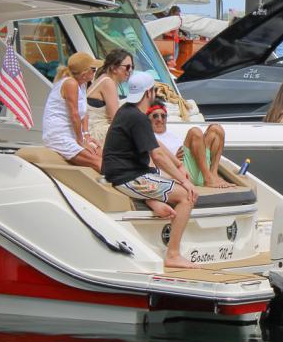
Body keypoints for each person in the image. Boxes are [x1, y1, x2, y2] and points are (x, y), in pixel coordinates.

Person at [100, 71, 197, 269]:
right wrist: (184, 181)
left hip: (126, 172)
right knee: (186, 196)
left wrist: (178, 166)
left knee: (162, 179)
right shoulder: (138, 118)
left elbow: (156, 144)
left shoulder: (127, 111)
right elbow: (158, 156)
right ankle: (173, 254)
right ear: (149, 93)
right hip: (128, 176)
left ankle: (152, 201)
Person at [39, 51, 102, 171]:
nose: (95, 72)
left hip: (71, 134)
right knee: (98, 161)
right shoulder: (70, 83)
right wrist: (81, 141)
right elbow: (74, 115)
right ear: (84, 73)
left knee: (102, 154)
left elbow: (84, 113)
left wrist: (86, 135)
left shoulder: (82, 84)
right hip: (58, 135)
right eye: (93, 69)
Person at [148, 100, 233, 189]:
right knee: (195, 132)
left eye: (163, 116)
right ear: (148, 118)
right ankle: (208, 179)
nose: (160, 119)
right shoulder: (149, 137)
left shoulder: (172, 135)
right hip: (181, 172)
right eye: (155, 116)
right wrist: (174, 160)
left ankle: (213, 174)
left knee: (216, 129)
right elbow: (154, 163)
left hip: (200, 167)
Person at [86, 48, 134, 144]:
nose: (130, 70)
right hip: (97, 132)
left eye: (133, 67)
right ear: (113, 68)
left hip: (95, 129)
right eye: (127, 67)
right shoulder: (108, 83)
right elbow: (116, 119)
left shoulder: (103, 78)